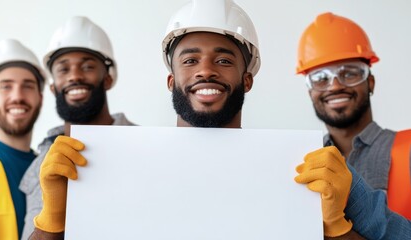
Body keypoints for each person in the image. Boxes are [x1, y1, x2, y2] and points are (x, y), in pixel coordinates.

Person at [29, 1, 411, 239]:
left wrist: (338, 232)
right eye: (190, 59)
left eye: (225, 60)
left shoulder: (310, 164)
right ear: (171, 80)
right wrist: (52, 224)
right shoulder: (113, 164)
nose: (206, 71)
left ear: (247, 78)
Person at [19, 16, 135, 240]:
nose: (75, 76)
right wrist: (50, 220)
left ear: (108, 79)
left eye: (88, 66)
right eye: (63, 69)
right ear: (53, 87)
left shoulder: (147, 145)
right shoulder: (40, 162)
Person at [296, 12, 411, 219]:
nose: (336, 85)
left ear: (371, 83)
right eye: (320, 78)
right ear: (310, 93)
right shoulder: (300, 161)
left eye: (349, 73)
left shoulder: (409, 149)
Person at [0, 39, 45, 240]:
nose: (18, 96)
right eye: (6, 87)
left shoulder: (45, 166)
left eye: (27, 86)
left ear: (40, 98)